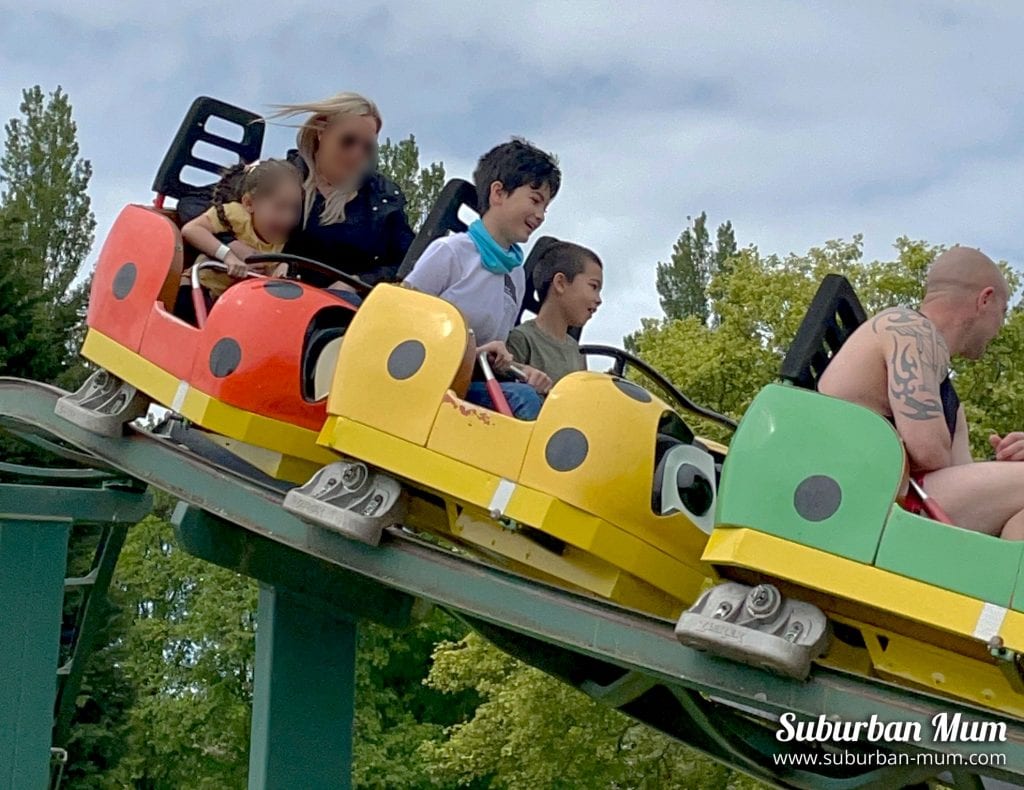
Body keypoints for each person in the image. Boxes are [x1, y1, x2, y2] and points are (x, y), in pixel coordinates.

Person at [816, 246, 1024, 539]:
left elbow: (961, 481)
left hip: (891, 499)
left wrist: (1007, 469)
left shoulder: (949, 400)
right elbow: (929, 451)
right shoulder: (907, 330)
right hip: (865, 499)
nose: (999, 329)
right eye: (1002, 314)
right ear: (985, 300)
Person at [403, 138, 561, 420]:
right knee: (521, 403)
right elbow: (398, 322)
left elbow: (491, 354)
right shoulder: (451, 252)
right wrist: (470, 351)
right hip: (425, 384)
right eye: (535, 201)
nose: (540, 216)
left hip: (469, 386)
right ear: (498, 193)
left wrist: (519, 370)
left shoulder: (515, 276)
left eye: (545, 208)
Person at [261, 92, 415, 301]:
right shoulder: (278, 178)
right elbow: (215, 214)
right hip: (269, 296)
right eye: (348, 141)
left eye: (367, 147)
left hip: (340, 314)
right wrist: (253, 257)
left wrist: (356, 281)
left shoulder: (383, 201)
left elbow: (410, 262)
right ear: (322, 132)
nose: (356, 154)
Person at [180, 159, 302, 300]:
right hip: (197, 289)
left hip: (230, 302)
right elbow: (191, 229)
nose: (288, 217)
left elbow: (267, 269)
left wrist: (278, 271)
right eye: (279, 206)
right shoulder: (237, 214)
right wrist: (228, 256)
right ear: (249, 203)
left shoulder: (281, 237)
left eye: (295, 208)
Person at [507, 240, 603, 385]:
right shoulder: (521, 339)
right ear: (560, 283)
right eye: (593, 286)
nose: (598, 299)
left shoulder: (578, 353)